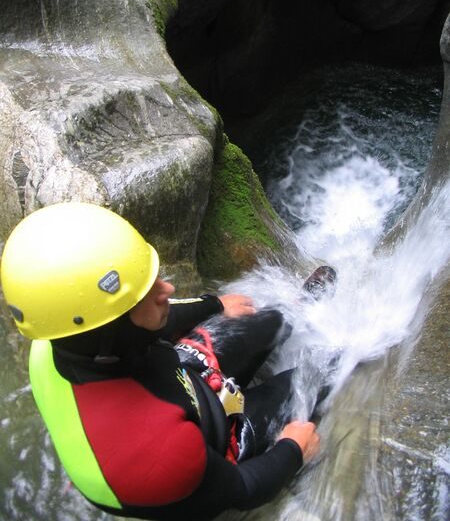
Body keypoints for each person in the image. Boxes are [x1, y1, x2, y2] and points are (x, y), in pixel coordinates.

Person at [1, 202, 320, 520]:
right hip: (202, 446)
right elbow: (242, 488)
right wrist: (292, 449)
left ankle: (300, 309)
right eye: (145, 292)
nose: (167, 288)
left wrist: (214, 305)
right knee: (316, 373)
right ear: (111, 330)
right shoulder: (158, 453)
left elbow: (148, 321)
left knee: (271, 319)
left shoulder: (58, 341)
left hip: (175, 379)